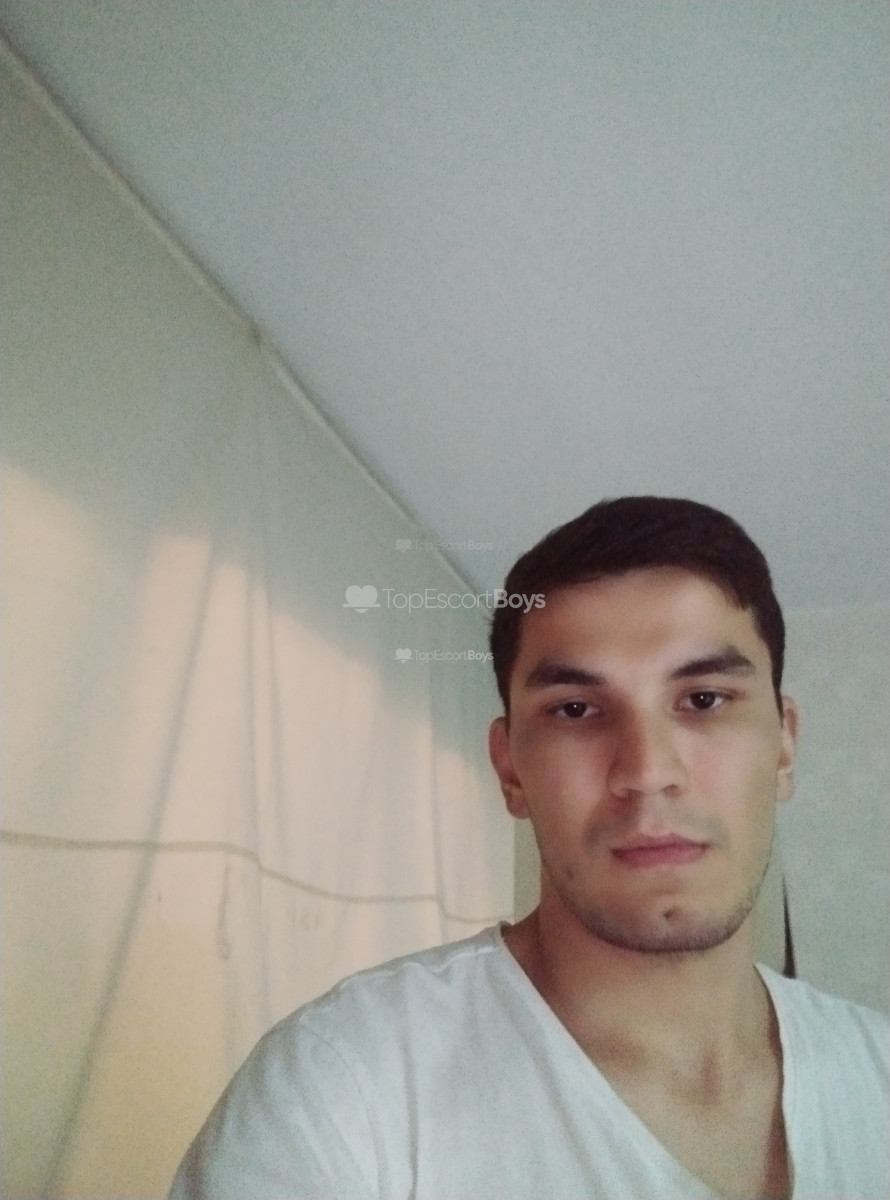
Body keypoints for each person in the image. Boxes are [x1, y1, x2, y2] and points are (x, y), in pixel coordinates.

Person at [169, 496, 888, 1200]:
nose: (647, 771)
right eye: (575, 709)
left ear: (784, 746)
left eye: (704, 699)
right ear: (510, 767)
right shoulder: (341, 1092)